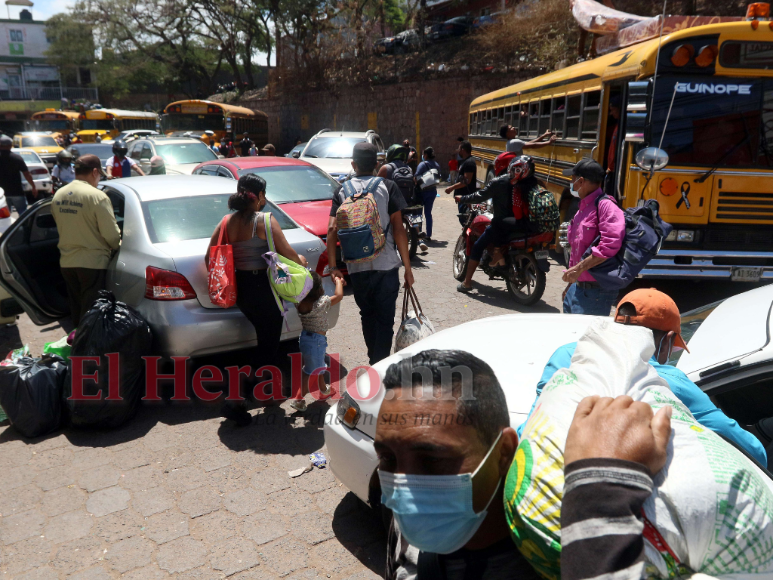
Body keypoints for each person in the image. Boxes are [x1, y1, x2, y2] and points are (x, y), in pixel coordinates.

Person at [378, 349, 672, 580]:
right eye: (387, 458)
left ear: (503, 452)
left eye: (432, 460)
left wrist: (602, 498)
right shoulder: (408, 533)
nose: (403, 491)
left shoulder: (564, 555)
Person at [520, 287, 768, 466]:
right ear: (667, 340)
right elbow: (748, 447)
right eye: (674, 347)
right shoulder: (670, 381)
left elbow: (539, 412)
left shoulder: (566, 354)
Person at [205, 173, 307, 427]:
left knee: (265, 340)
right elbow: (287, 253)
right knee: (268, 346)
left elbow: (209, 258)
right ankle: (236, 399)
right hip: (264, 289)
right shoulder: (265, 220)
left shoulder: (226, 221)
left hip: (241, 290)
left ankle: (267, 393)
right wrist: (302, 263)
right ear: (260, 196)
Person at [326, 142, 414, 365]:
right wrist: (408, 268)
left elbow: (332, 230)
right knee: (385, 320)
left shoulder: (341, 191)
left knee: (367, 315)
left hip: (357, 267)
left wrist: (334, 267)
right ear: (376, 164)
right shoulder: (388, 186)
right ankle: (379, 364)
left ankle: (374, 361)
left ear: (353, 164)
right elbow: (399, 229)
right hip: (386, 265)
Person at [50, 155, 120, 327]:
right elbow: (111, 235)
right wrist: (118, 246)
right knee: (92, 312)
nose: (99, 179)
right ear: (95, 172)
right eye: (99, 175)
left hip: (67, 263)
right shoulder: (97, 196)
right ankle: (88, 342)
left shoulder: (59, 194)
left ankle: (78, 338)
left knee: (77, 308)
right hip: (92, 264)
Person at [455, 156, 539, 292]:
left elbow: (480, 196)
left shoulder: (499, 181)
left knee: (477, 247)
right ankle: (498, 255)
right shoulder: (532, 183)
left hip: (503, 225)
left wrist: (462, 198)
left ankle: (467, 283)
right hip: (526, 225)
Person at [561, 158, 624, 315]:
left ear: (581, 181)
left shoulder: (606, 206)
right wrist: (571, 284)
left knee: (585, 332)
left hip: (595, 293)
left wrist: (578, 269)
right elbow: (576, 248)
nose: (571, 183)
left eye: (573, 179)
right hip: (577, 288)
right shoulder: (583, 207)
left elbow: (609, 246)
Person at [290, 271, 343, 412]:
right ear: (319, 289)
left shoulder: (298, 302)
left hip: (305, 338)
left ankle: (323, 389)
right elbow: (339, 296)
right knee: (312, 370)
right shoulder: (321, 303)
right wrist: (338, 281)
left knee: (316, 365)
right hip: (316, 341)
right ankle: (298, 399)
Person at [0, 135, 36, 214]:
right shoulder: (17, 158)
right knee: (23, 214)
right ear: (10, 145)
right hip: (17, 191)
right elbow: (27, 174)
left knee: (4, 217)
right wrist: (33, 187)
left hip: (1, 193)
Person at [444, 141, 476, 222]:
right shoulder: (465, 162)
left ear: (463, 150)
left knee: (465, 221)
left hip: (466, 199)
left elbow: (466, 181)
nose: (458, 151)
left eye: (459, 149)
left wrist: (451, 188)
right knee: (463, 220)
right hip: (462, 198)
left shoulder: (469, 162)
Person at [415, 147, 440, 242]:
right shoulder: (436, 164)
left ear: (425, 155)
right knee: (428, 213)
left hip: (422, 192)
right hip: (432, 191)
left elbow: (416, 177)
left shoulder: (422, 164)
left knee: (419, 214)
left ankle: (419, 233)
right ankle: (428, 234)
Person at [605, 94, 621, 196]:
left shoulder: (622, 127)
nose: (611, 113)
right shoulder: (616, 126)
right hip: (611, 169)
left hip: (616, 170)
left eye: (612, 110)